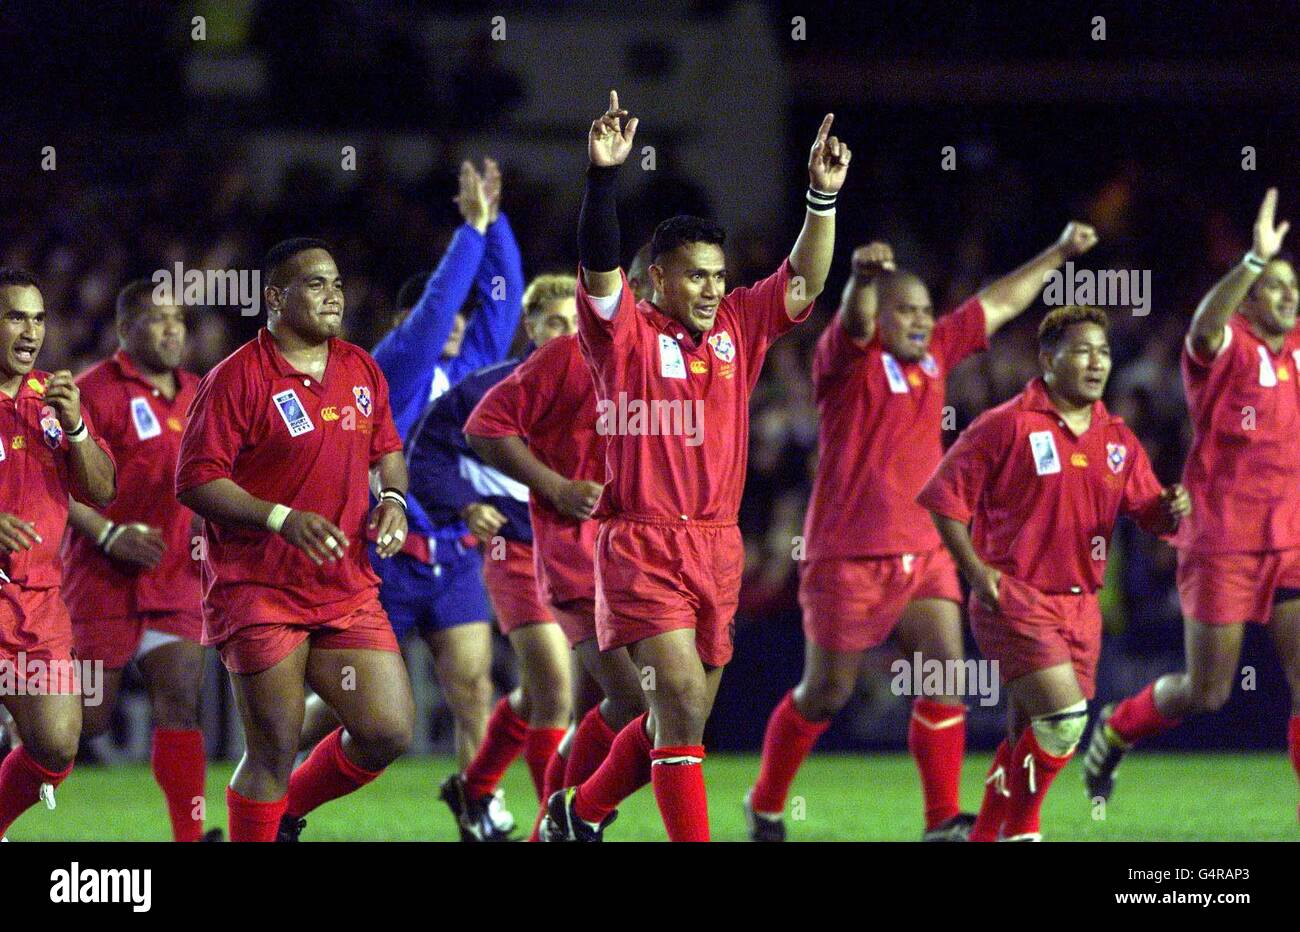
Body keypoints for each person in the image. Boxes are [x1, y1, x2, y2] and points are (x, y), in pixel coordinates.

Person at [541, 91, 850, 842]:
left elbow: (804, 282)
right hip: (641, 543)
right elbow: (599, 261)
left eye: (718, 274)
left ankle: (577, 816)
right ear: (656, 282)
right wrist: (602, 177)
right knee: (678, 707)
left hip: (716, 546)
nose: (713, 287)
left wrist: (822, 199)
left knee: (673, 721)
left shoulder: (739, 325)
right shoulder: (623, 336)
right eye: (696, 276)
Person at [746, 223, 1098, 842]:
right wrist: (858, 280)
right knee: (826, 693)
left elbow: (1000, 301)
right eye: (904, 310)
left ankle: (941, 823)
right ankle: (766, 802)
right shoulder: (845, 361)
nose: (918, 320)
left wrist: (1060, 251)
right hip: (846, 556)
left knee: (944, 676)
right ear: (880, 317)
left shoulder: (936, 350)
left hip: (925, 550)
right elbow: (854, 322)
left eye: (925, 310)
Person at [918, 305, 1189, 841]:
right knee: (1065, 722)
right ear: (1048, 359)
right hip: (1015, 598)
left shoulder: (1117, 439)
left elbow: (1148, 513)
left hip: (1080, 608)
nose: (1096, 362)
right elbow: (943, 500)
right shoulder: (1006, 425)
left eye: (1104, 352)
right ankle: (1022, 831)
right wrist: (973, 572)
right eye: (1082, 350)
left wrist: (1169, 507)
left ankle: (984, 834)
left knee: (1026, 738)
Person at [176, 238, 413, 842]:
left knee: (387, 729)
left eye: (336, 281)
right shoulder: (237, 378)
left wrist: (392, 500)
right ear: (276, 299)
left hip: (344, 585)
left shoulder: (359, 366)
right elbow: (196, 481)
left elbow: (387, 449)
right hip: (258, 588)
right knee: (273, 750)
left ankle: (281, 819)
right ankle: (261, 820)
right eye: (315, 283)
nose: (333, 293)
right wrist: (282, 518)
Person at [1084, 188, 1300, 821]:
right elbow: (1205, 325)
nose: (1288, 294)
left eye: (1294, 284)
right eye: (1275, 285)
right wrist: (1253, 262)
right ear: (1251, 295)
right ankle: (1117, 729)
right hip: (1221, 542)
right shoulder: (1223, 346)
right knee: (1207, 693)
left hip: (1290, 542)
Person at [407, 274, 578, 840]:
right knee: (555, 688)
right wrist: (466, 503)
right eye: (555, 321)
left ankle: (473, 787)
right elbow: (423, 453)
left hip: (580, 555)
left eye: (577, 322)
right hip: (517, 552)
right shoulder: (491, 387)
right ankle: (550, 824)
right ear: (529, 327)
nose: (567, 333)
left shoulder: (604, 386)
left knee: (539, 692)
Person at [465, 313, 648, 842]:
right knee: (628, 700)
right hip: (565, 556)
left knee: (643, 707)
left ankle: (559, 819)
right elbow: (481, 427)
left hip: (644, 559)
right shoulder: (566, 356)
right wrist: (555, 486)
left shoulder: (674, 365)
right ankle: (565, 815)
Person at [60, 279, 214, 842]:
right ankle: (17, 744)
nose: (172, 328)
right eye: (157, 318)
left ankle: (190, 837)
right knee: (82, 725)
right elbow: (58, 483)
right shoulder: (92, 392)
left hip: (174, 580)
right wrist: (105, 533)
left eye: (179, 318)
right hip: (101, 582)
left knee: (180, 701)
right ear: (125, 330)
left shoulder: (201, 392)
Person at [0, 268, 116, 840]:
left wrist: (75, 430)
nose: (30, 331)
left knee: (55, 744)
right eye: (15, 317)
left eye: (38, 318)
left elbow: (102, 489)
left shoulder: (54, 400)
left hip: (38, 605)